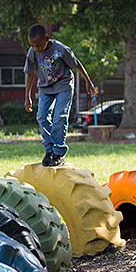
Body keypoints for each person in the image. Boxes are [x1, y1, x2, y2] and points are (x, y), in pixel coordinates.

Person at [24, 23, 96, 167]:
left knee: (59, 117)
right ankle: (49, 150)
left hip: (63, 85)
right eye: (32, 46)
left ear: (47, 38)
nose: (36, 49)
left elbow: (76, 64)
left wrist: (88, 81)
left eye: (38, 45)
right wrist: (27, 96)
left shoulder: (61, 49)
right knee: (42, 116)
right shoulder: (32, 53)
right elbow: (30, 74)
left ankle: (58, 152)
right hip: (45, 87)